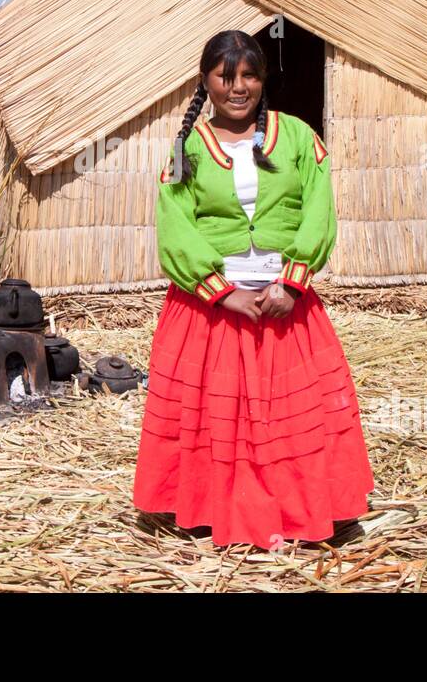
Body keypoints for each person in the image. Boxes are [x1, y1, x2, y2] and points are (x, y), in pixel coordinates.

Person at [132, 29, 375, 549]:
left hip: (286, 305)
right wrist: (221, 290)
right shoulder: (186, 149)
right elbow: (175, 225)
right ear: (206, 81)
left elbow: (318, 209)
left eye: (249, 75)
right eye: (225, 76)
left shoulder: (298, 139)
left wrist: (293, 282)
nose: (237, 87)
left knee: (292, 415)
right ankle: (208, 508)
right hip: (211, 310)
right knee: (218, 416)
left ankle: (304, 509)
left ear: (263, 81)